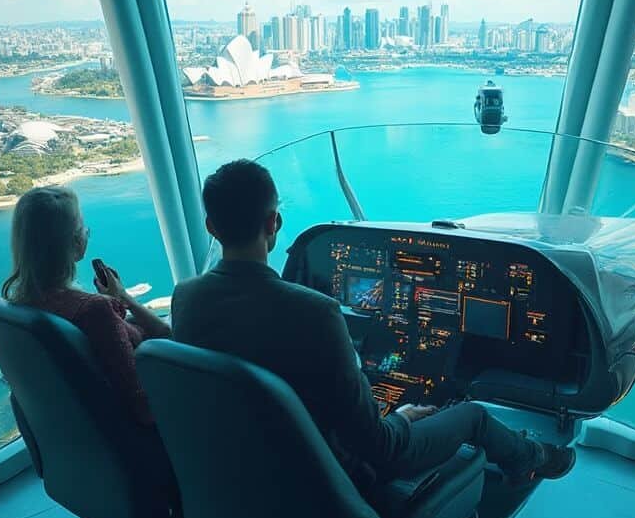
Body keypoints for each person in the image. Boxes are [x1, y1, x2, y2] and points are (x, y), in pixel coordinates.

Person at [171, 160, 575, 493]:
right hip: (335, 470)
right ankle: (533, 459)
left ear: (211, 227)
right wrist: (405, 416)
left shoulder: (186, 298)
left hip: (252, 464)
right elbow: (378, 445)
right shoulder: (316, 311)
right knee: (472, 416)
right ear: (274, 222)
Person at [2, 185, 169, 426]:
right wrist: (123, 299)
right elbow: (140, 404)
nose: (86, 234)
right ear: (76, 242)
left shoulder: (17, 307)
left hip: (74, 433)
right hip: (137, 434)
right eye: (83, 229)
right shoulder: (94, 311)